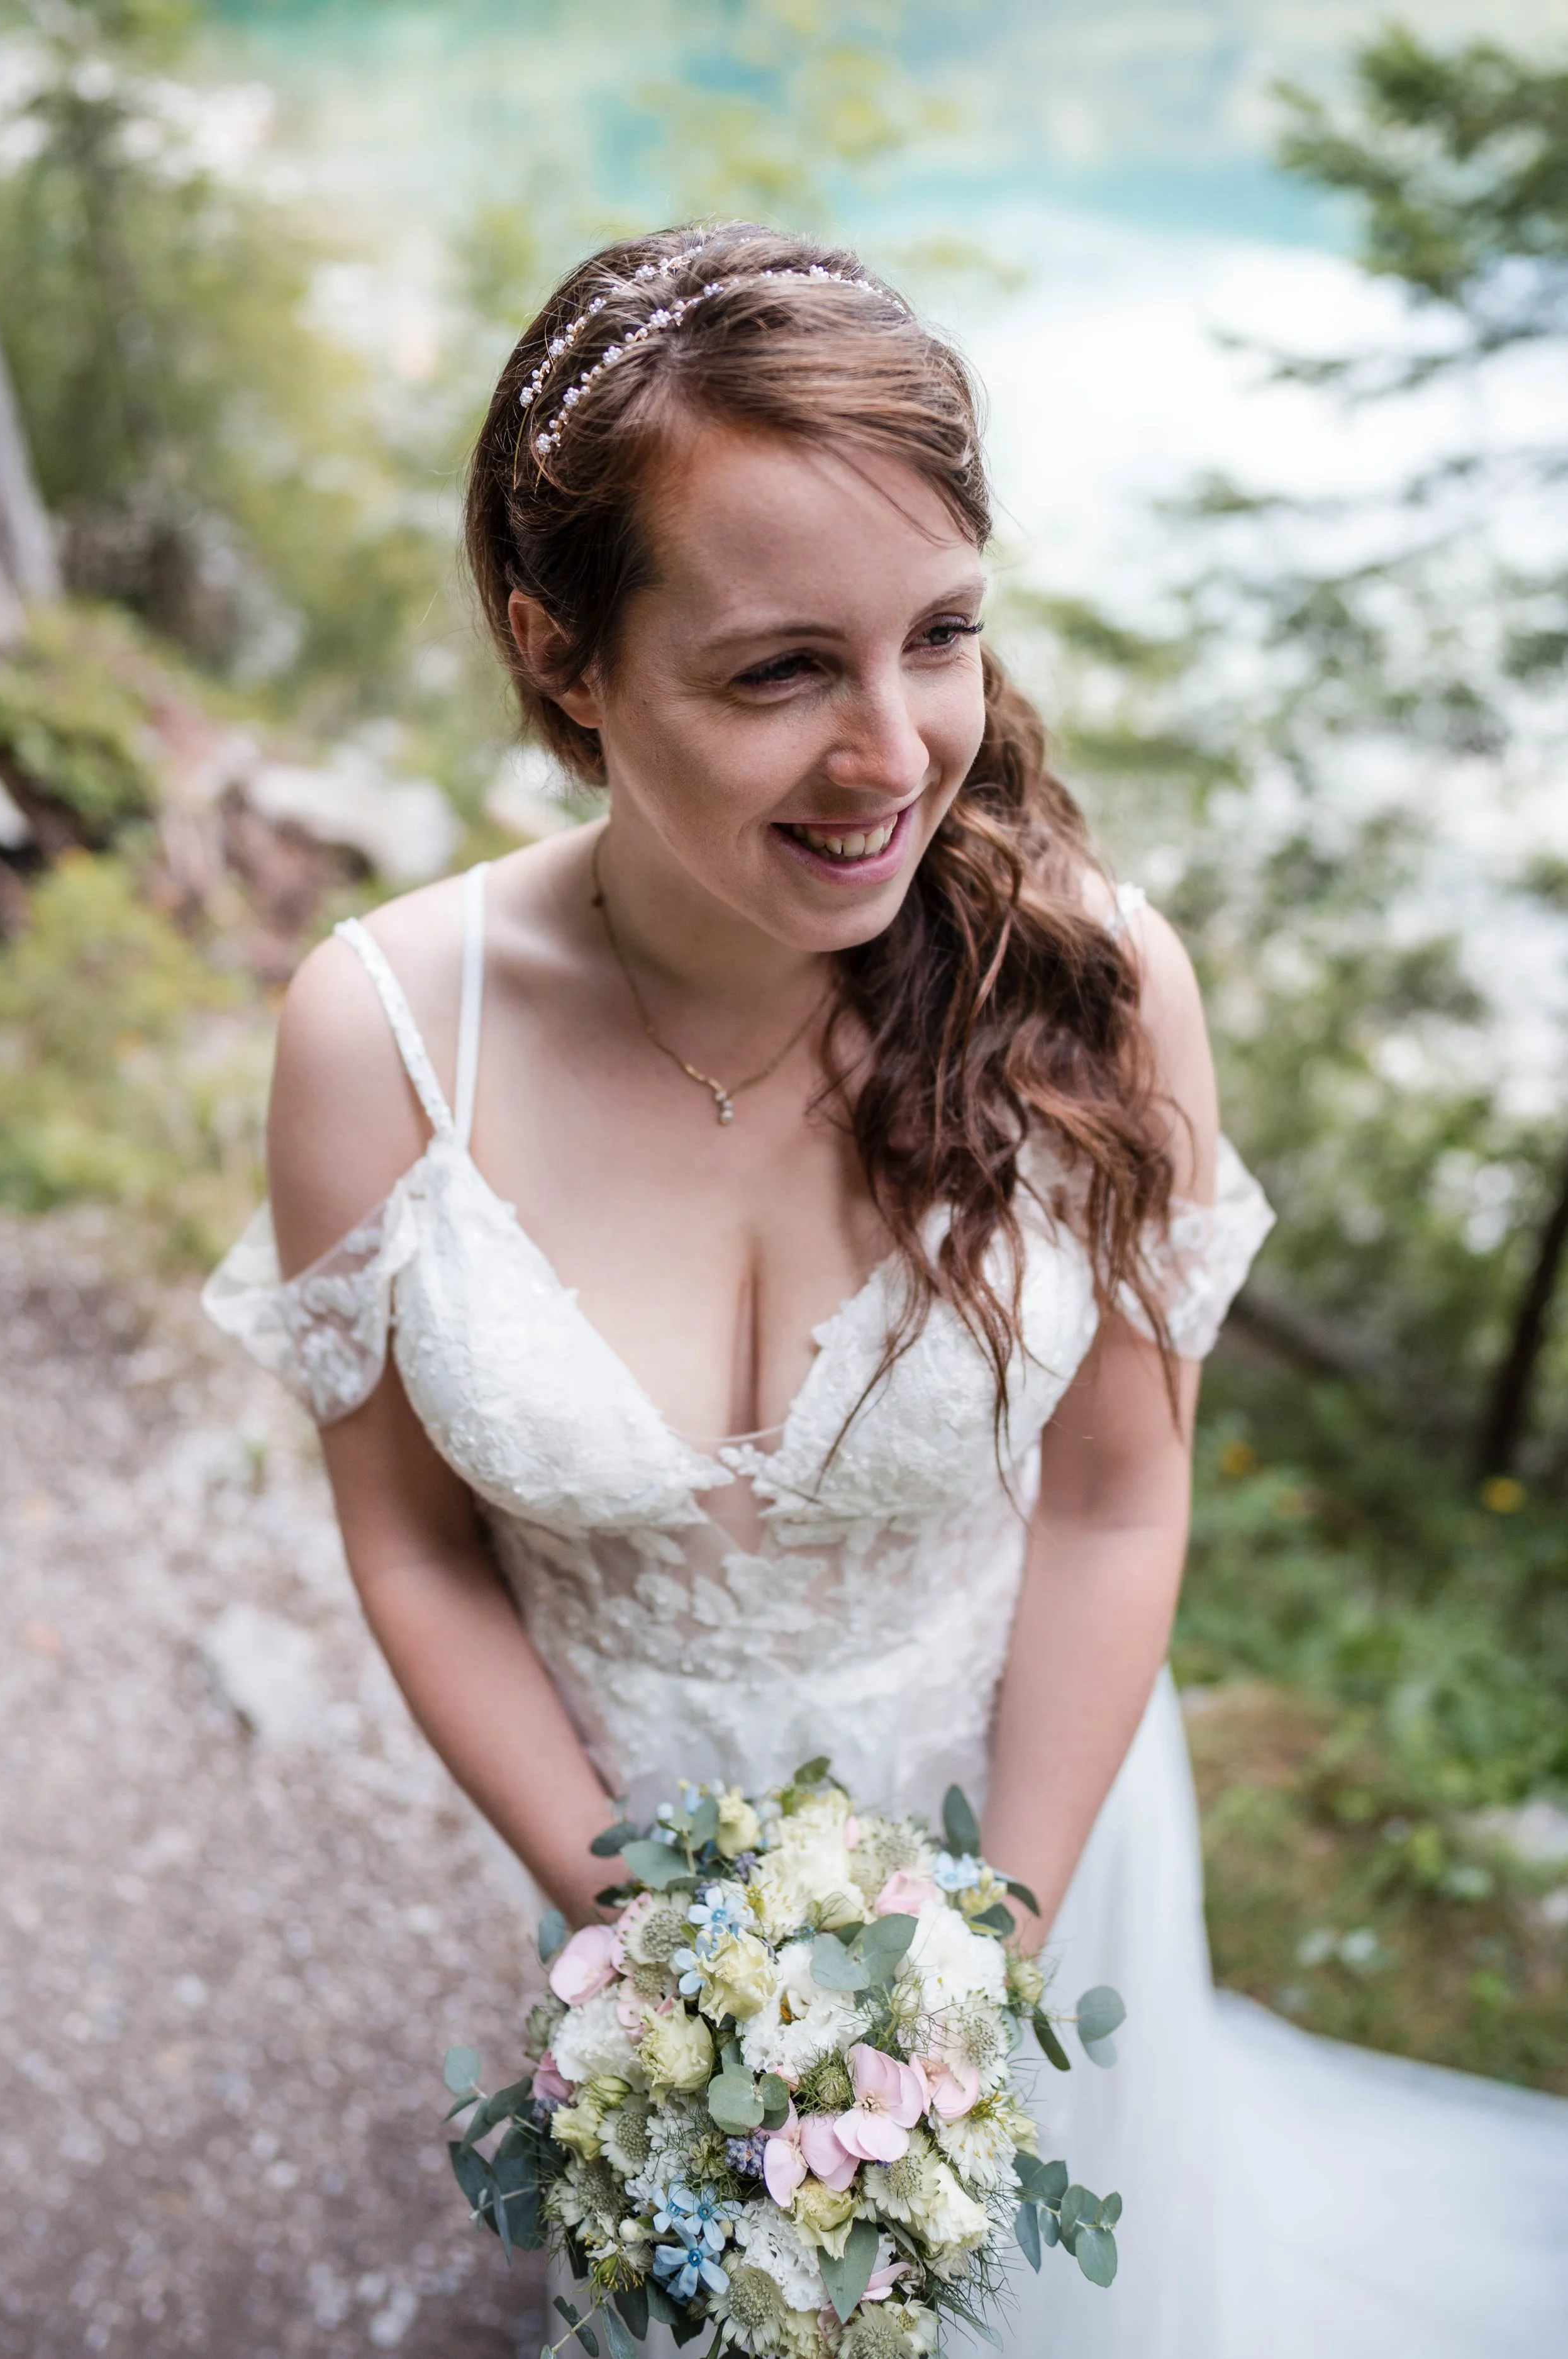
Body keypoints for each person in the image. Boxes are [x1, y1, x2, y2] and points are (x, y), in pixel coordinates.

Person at [205, 225, 1568, 2357]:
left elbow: (1118, 1504)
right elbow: (410, 1538)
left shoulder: (1096, 998)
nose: (892, 755)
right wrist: (647, 1948)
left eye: (937, 637)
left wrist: (975, 1958)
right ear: (557, 648)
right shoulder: (378, 1037)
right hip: (631, 1892)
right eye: (777, 669)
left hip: (1035, 1828)